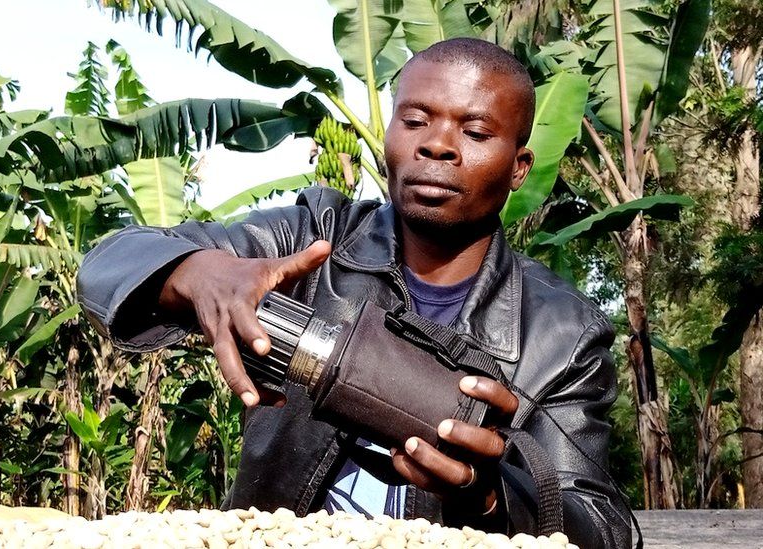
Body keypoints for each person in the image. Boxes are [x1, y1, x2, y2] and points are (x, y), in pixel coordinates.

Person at [77, 37, 631, 548]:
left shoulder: (563, 335)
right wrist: (198, 272)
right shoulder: (310, 240)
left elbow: (603, 526)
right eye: (414, 120)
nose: (437, 145)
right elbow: (110, 263)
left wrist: (494, 497)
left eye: (476, 133)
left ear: (519, 167)